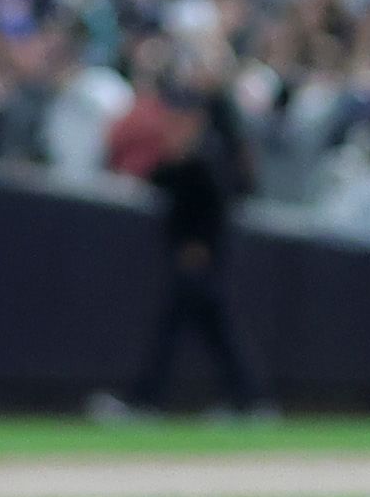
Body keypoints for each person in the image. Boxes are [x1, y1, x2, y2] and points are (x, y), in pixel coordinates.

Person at [94, 43, 263, 422]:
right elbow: (156, 179)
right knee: (210, 334)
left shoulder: (208, 157)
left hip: (202, 259)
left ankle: (151, 402)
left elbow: (222, 204)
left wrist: (199, 247)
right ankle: (247, 402)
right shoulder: (181, 159)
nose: (171, 124)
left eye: (179, 117)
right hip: (191, 258)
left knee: (192, 334)